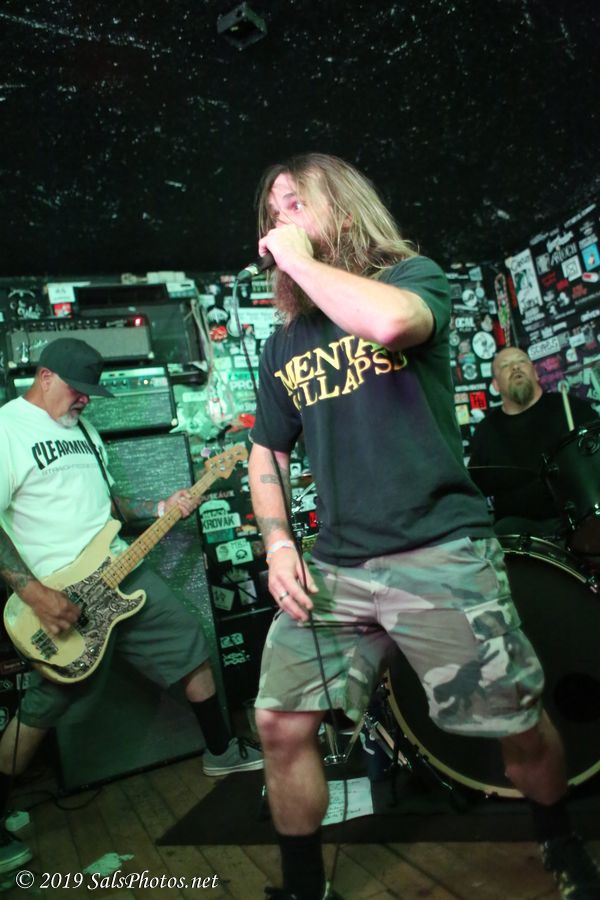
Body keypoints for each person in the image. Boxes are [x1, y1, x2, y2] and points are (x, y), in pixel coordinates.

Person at [246, 153, 600, 900]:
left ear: (342, 210)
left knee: (516, 722)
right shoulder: (282, 346)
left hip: (439, 549)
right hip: (338, 567)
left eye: (295, 203)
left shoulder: (414, 279)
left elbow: (391, 323)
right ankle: (305, 888)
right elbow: (266, 452)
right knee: (278, 722)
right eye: (273, 212)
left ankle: (559, 837)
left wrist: (300, 260)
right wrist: (277, 543)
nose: (279, 222)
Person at [0, 338, 262, 874]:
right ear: (45, 377)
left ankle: (221, 751)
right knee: (47, 704)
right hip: (59, 596)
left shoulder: (84, 431)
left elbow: (111, 506)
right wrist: (34, 594)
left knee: (187, 639)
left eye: (89, 393)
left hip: (121, 571)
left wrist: (161, 506)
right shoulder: (8, 430)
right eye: (77, 390)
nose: (84, 401)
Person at [469, 346, 598, 536]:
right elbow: (476, 486)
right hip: (518, 533)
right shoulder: (486, 431)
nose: (515, 367)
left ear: (536, 373)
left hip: (576, 521)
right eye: (505, 365)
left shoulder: (572, 407)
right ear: (495, 385)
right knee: (503, 530)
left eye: (521, 361)